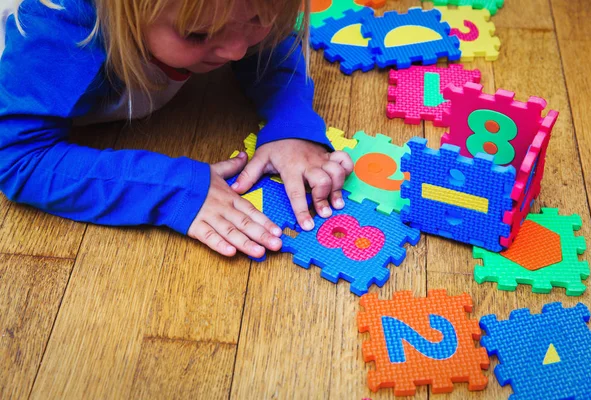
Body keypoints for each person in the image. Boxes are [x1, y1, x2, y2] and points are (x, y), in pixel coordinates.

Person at [0, 0, 353, 259]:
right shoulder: (56, 29)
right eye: (197, 33)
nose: (237, 49)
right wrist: (170, 187)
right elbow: (18, 158)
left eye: (256, 19)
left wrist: (291, 124)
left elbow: (271, 44)